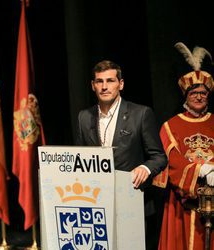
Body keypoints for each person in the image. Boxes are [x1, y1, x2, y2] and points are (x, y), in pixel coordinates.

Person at [75, 60, 168, 250]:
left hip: (132, 202)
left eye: (110, 81)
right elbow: (80, 158)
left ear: (121, 84)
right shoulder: (84, 117)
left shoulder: (140, 114)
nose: (104, 87)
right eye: (99, 82)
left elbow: (159, 157)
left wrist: (145, 168)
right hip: (96, 205)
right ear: (93, 86)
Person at [153, 42, 214, 250]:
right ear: (186, 95)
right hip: (184, 206)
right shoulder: (171, 125)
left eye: (203, 93)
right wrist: (201, 170)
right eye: (193, 93)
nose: (198, 96)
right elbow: (170, 160)